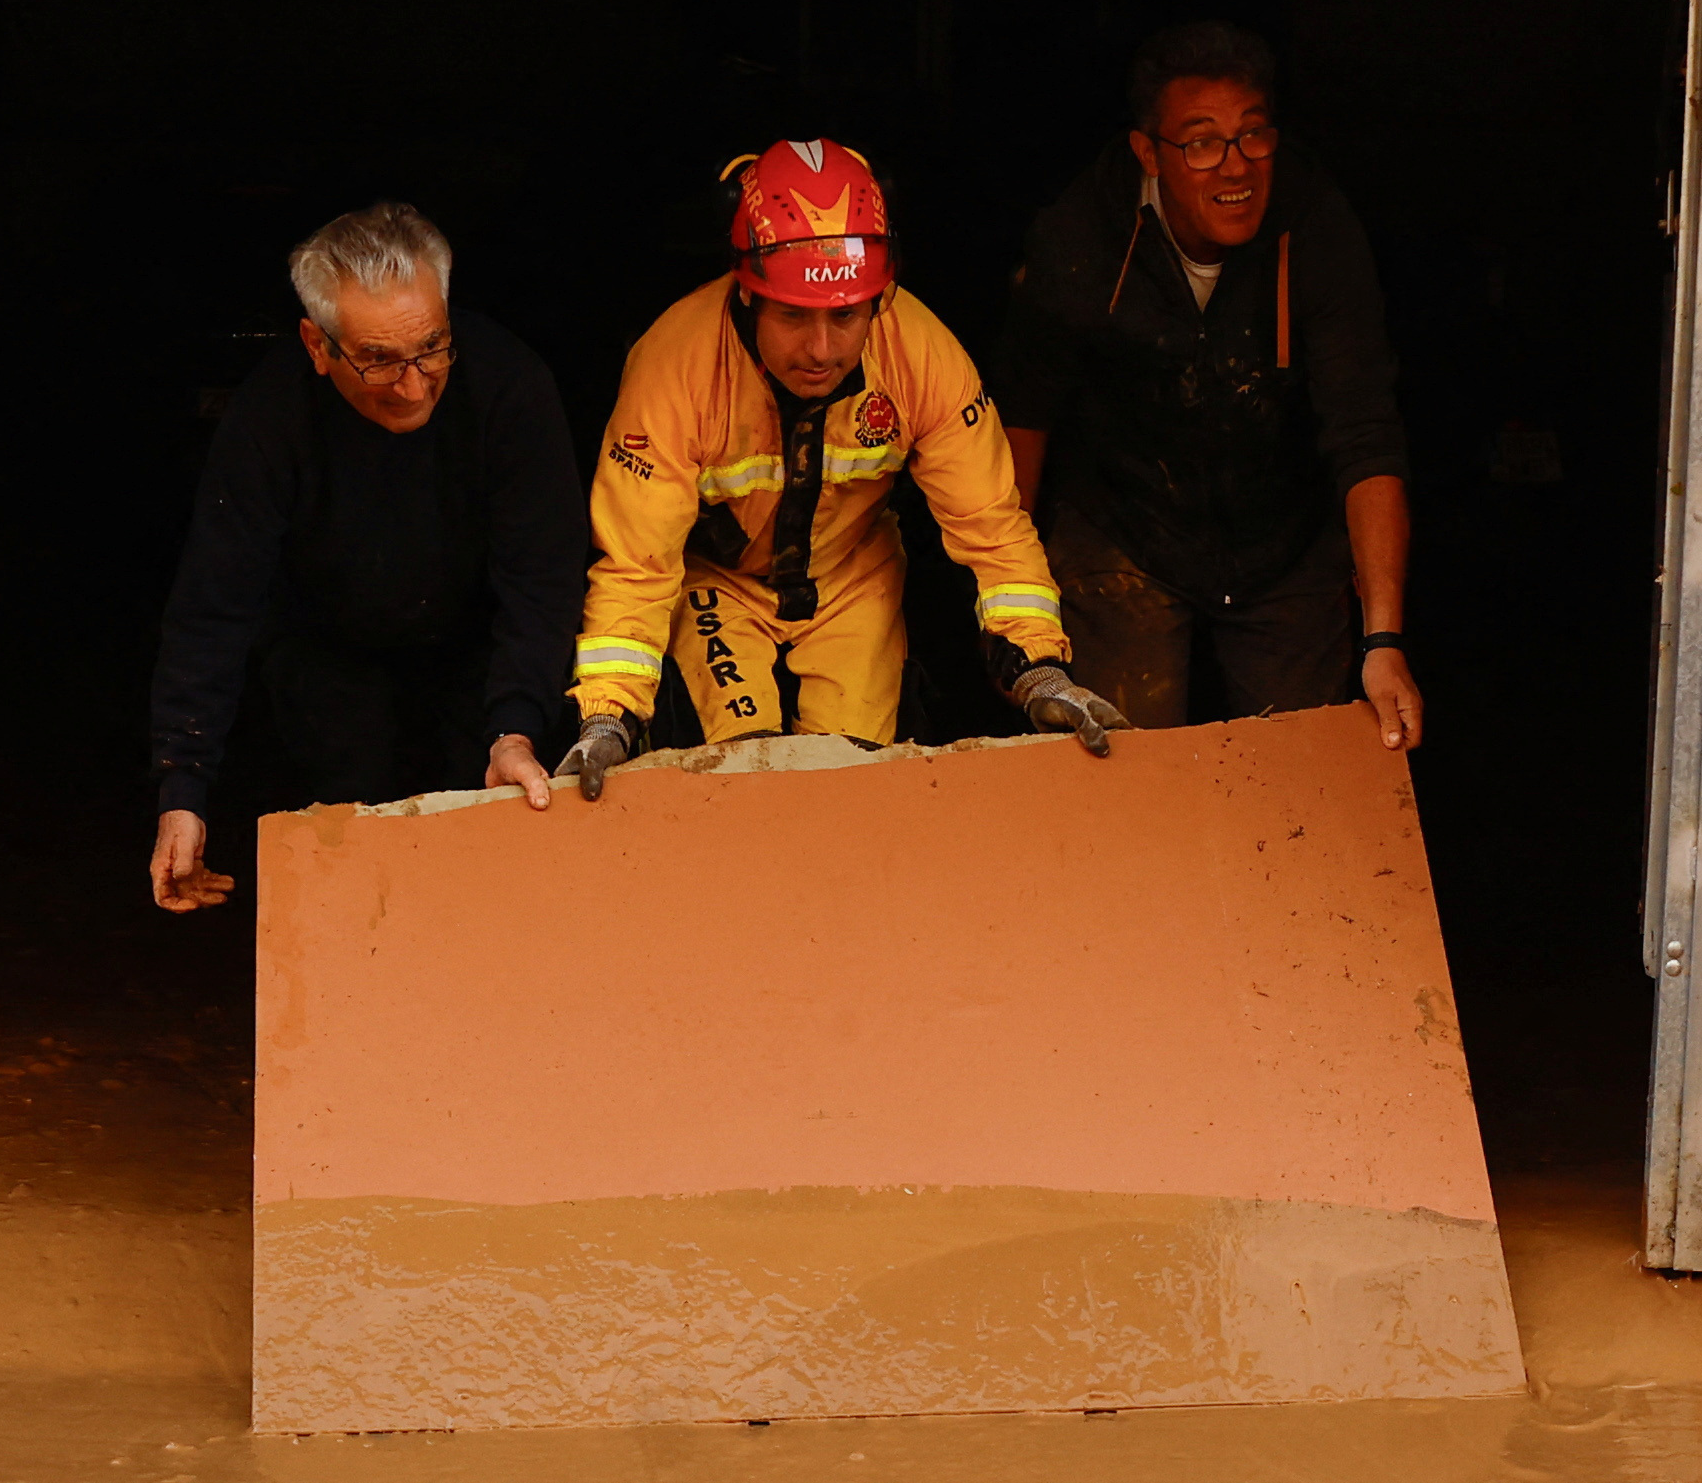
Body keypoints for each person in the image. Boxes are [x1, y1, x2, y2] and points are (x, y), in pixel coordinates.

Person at [560, 137, 1121, 786]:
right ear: (747, 294)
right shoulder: (672, 369)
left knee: (851, 783)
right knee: (742, 770)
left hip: (853, 578)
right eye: (795, 316)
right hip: (714, 581)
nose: (821, 349)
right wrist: (607, 718)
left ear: (880, 299)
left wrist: (1037, 669)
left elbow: (993, 530)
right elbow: (635, 566)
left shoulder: (922, 354)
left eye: (846, 316)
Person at [999, 21, 1425, 751]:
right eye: (1200, 142)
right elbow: (1024, 417)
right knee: (1121, 772)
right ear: (1148, 153)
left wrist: (1382, 639)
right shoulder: (1082, 235)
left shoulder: (1314, 225)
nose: (1235, 167)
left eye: (1252, 136)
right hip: (1123, 527)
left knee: (1295, 787)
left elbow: (1364, 432)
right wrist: (1012, 628)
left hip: (1282, 537)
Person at [145, 203, 579, 912]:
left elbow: (542, 579)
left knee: (493, 832)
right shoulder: (268, 417)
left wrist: (515, 725)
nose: (413, 386)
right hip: (326, 648)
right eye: (378, 360)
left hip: (481, 640)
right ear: (317, 346)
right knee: (349, 835)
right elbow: (214, 605)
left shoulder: (509, 383)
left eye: (432, 348)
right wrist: (182, 789)